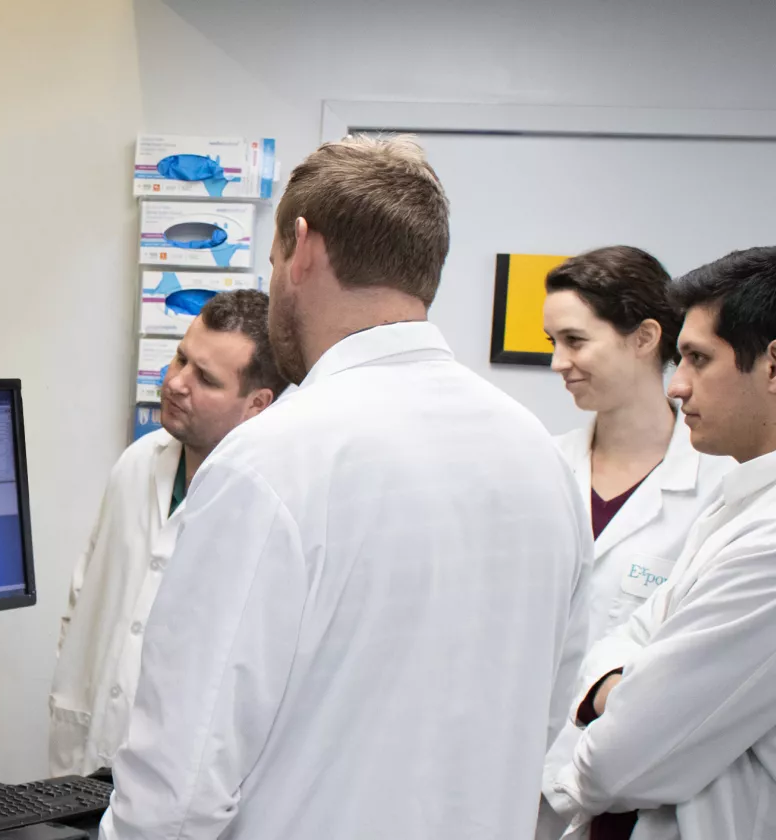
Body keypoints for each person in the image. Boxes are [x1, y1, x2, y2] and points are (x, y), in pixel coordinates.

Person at [99, 136, 592, 840]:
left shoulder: (269, 462)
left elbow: (175, 797)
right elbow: (544, 722)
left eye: (272, 262)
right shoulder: (539, 460)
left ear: (302, 248)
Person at [544, 247, 776, 840]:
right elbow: (633, 638)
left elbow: (627, 757)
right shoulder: (739, 501)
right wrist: (625, 684)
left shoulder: (760, 532)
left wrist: (625, 699)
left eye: (698, 359)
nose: (679, 384)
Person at [48, 289, 285, 778]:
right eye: (181, 358)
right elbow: (85, 595)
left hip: (184, 784)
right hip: (85, 759)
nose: (176, 382)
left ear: (256, 404)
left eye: (206, 379)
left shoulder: (271, 505)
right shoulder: (139, 462)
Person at [543, 247, 734, 647]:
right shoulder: (544, 463)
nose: (558, 362)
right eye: (553, 342)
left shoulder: (722, 485)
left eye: (574, 341)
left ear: (645, 337)